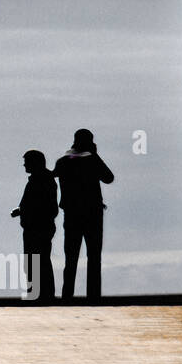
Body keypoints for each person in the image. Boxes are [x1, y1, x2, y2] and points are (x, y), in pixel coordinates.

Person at [54, 129, 114, 301]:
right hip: (92, 213)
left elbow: (55, 173)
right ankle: (93, 295)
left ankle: (67, 295)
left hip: (72, 213)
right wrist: (94, 155)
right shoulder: (92, 161)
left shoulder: (64, 161)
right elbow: (109, 177)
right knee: (94, 257)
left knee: (70, 258)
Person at [11, 150, 58, 303]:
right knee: (37, 261)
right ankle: (41, 293)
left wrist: (24, 211)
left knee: (37, 261)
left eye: (27, 161)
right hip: (36, 226)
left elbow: (44, 206)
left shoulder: (42, 180)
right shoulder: (42, 179)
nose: (24, 164)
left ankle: (41, 294)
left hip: (37, 228)